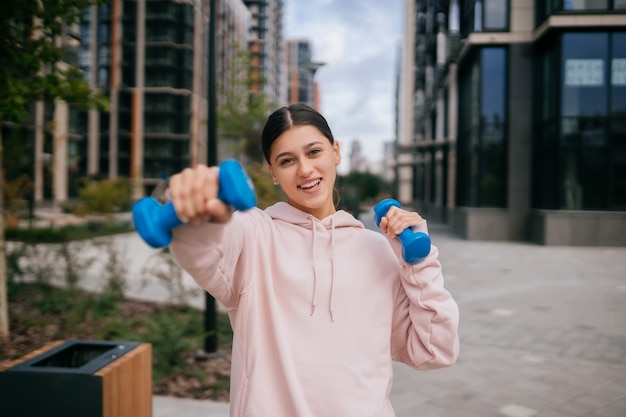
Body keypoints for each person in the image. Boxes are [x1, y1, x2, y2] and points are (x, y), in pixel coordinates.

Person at [167, 103, 459, 417]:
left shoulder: (380, 252)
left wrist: (418, 261)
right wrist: (194, 210)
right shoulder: (254, 235)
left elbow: (435, 349)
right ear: (273, 172)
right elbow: (205, 247)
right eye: (287, 160)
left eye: (314, 152)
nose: (304, 169)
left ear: (335, 152)